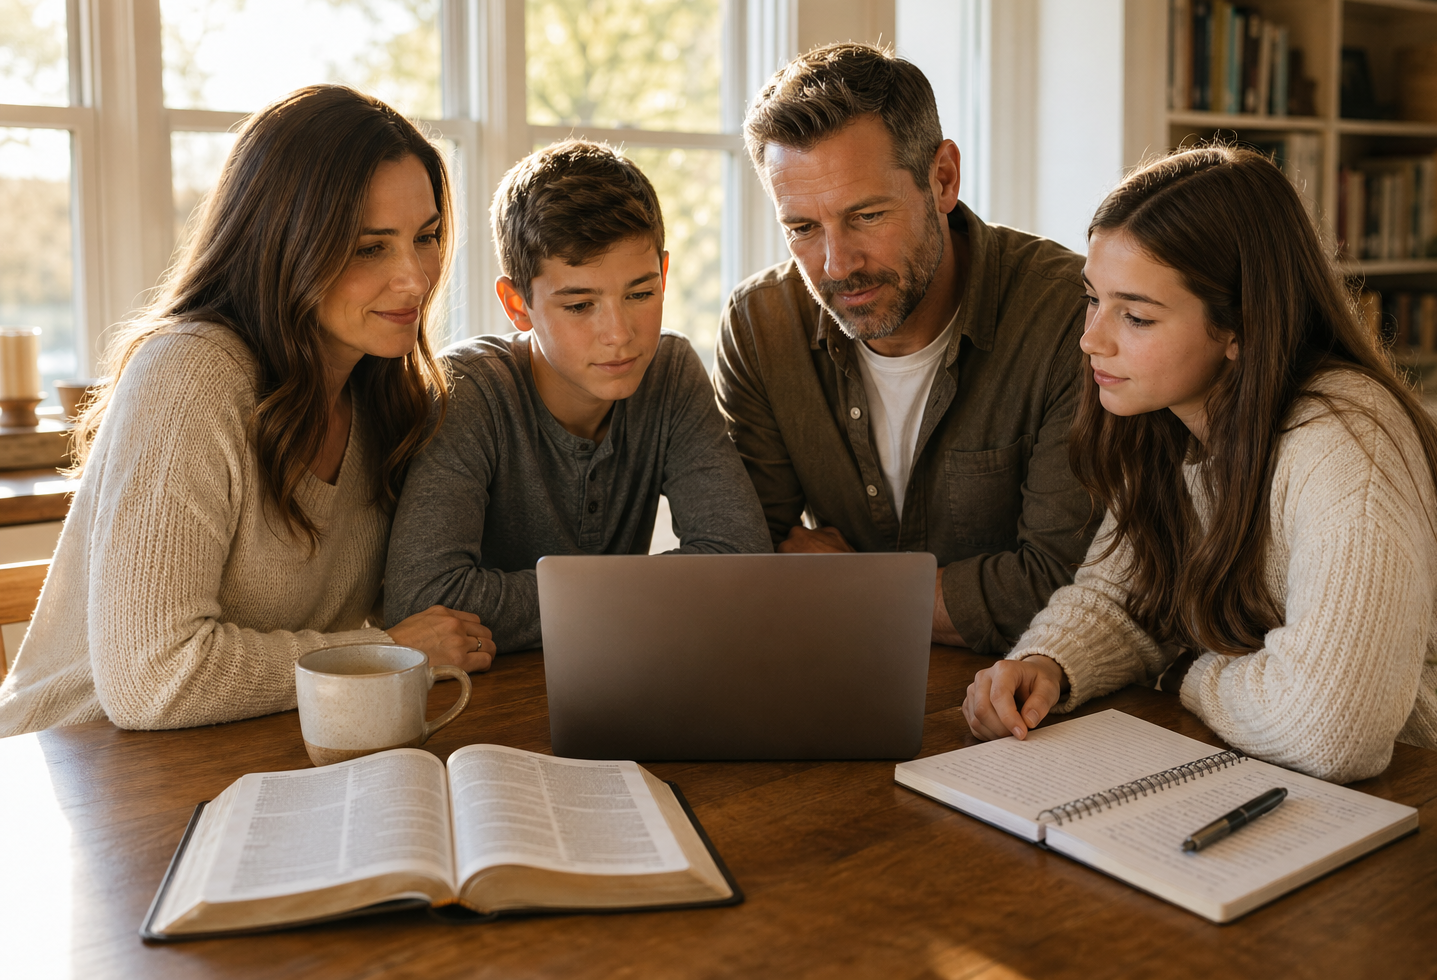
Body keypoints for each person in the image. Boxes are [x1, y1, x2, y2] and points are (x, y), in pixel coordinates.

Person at [963, 146, 1437, 783]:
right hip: (1292, 782)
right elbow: (1123, 597)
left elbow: (1334, 730)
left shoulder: (1347, 445)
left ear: (1239, 328)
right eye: (1093, 299)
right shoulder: (1166, 416)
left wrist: (1184, 671)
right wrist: (1047, 664)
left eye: (1136, 315)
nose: (1092, 338)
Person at [0, 85, 494, 738]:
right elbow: (153, 678)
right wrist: (386, 656)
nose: (415, 277)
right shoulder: (188, 373)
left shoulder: (384, 395)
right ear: (284, 242)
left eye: (426, 237)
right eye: (370, 247)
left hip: (243, 759)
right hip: (69, 774)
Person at [716, 43, 1098, 655]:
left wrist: (856, 587)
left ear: (942, 179)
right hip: (836, 675)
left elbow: (1064, 583)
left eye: (866, 215)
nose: (836, 266)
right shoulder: (761, 324)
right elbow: (754, 552)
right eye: (803, 229)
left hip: (1016, 700)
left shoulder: (1070, 318)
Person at [382, 141, 771, 650]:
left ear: (665, 275)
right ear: (517, 305)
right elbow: (424, 601)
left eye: (640, 293)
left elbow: (741, 561)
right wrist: (651, 591)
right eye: (581, 305)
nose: (619, 333)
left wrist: (574, 597)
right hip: (485, 699)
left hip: (626, 681)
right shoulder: (469, 389)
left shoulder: (670, 371)